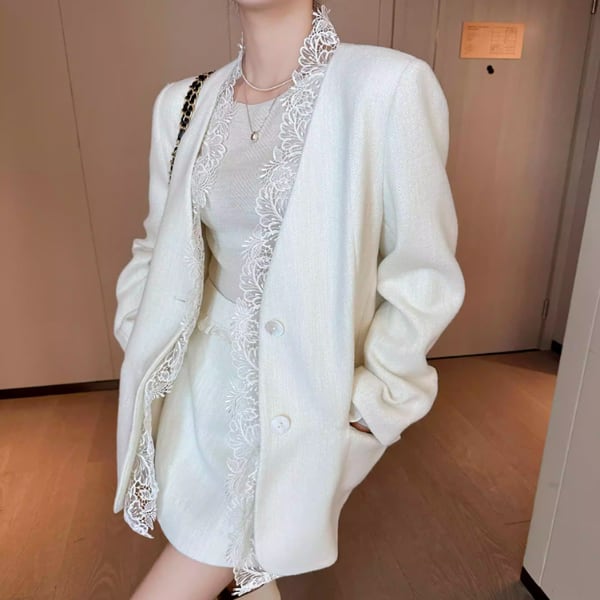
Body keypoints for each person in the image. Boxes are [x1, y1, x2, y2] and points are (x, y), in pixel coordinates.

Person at [112, 0, 466, 598]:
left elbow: (423, 275)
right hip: (198, 392)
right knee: (246, 569)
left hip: (298, 401)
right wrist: (138, 334)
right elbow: (156, 244)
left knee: (206, 560)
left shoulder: (386, 87)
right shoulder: (183, 103)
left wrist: (373, 404)